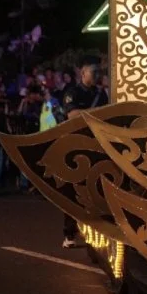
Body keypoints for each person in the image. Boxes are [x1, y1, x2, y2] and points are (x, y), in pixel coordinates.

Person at [60, 60, 100, 248]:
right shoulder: (73, 92)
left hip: (95, 144)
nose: (96, 75)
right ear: (83, 73)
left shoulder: (100, 93)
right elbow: (72, 115)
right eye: (93, 72)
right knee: (73, 190)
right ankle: (69, 233)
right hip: (75, 144)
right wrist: (96, 112)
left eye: (97, 72)